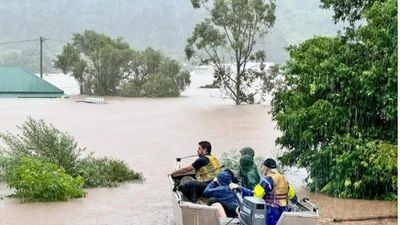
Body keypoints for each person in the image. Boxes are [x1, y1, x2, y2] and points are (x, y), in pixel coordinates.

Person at [230, 158, 294, 225]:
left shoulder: (267, 180)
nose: (262, 169)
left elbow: (255, 196)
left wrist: (239, 188)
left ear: (266, 167)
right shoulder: (284, 179)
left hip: (271, 213)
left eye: (263, 167)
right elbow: (293, 196)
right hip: (284, 212)